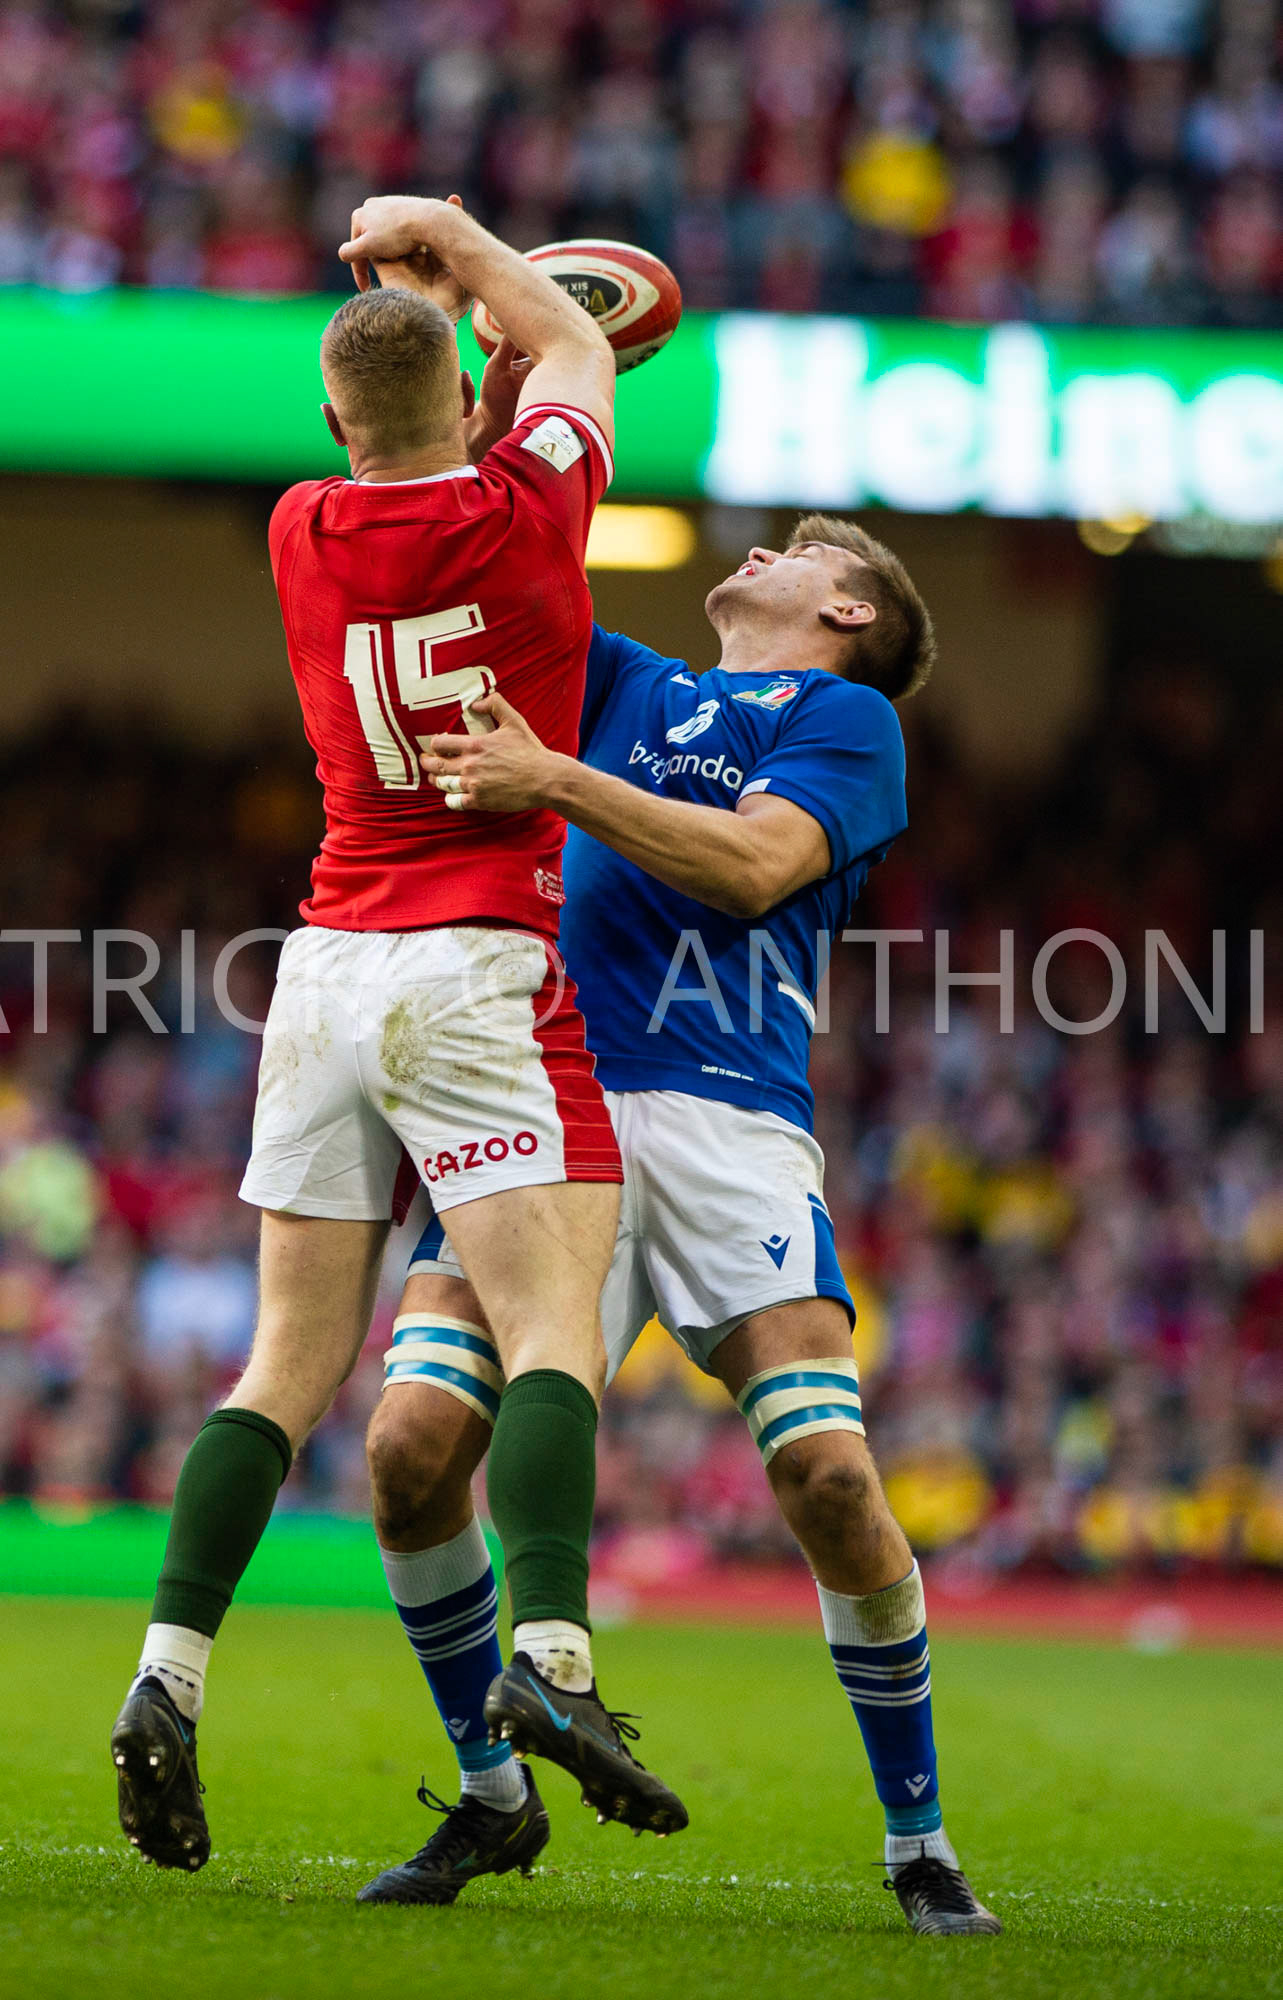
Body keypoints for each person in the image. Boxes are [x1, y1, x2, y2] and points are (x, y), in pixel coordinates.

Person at [110, 192, 687, 1874]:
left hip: (326, 966)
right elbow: (574, 341)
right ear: (475, 398)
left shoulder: (300, 524)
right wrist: (448, 238)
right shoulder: (526, 508)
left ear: (331, 423)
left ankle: (167, 1676)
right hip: (477, 963)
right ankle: (559, 1660)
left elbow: (432, 391)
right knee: (551, 1327)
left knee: (283, 1369)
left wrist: (427, 310)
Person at [356, 516, 1002, 1939]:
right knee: (407, 1454)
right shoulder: (630, 684)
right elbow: (490, 585)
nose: (768, 548)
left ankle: (920, 1843)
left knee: (830, 1475)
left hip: (728, 1121)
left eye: (805, 548)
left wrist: (554, 779)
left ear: (849, 608)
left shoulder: (846, 718)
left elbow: (756, 868)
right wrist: (502, 405)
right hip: (545, 1103)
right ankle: (492, 1791)